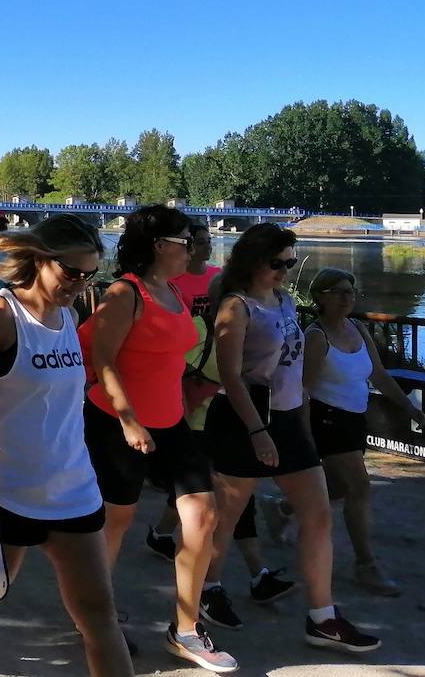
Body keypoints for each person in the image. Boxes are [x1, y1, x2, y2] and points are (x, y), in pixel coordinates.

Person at [0, 215, 132, 677]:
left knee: (99, 615)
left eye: (90, 275)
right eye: (71, 272)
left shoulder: (68, 315)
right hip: (6, 494)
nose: (79, 283)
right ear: (39, 259)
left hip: (73, 492)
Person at [204, 224, 380, 654]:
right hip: (244, 420)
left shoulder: (283, 301)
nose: (285, 270)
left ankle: (322, 617)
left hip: (285, 419)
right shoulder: (236, 306)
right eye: (277, 262)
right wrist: (258, 432)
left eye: (291, 261)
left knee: (318, 513)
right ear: (253, 260)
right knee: (226, 516)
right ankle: (207, 588)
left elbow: (293, 370)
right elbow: (230, 376)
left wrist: (300, 423)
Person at [80, 205, 234, 671]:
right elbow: (103, 360)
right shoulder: (125, 293)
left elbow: (171, 355)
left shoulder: (174, 291)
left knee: (203, 516)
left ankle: (185, 629)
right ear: (158, 245)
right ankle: (96, 619)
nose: (194, 247)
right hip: (117, 422)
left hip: (172, 423)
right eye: (186, 239)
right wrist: (128, 419)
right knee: (115, 523)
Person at [146, 233, 293, 623]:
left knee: (224, 507)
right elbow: (184, 372)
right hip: (201, 422)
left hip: (231, 417)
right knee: (214, 509)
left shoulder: (255, 312)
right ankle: (205, 589)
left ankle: (250, 575)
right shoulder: (200, 330)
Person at [304, 266, 425, 597]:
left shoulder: (357, 328)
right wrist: (301, 435)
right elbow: (304, 390)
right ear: (320, 298)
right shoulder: (316, 337)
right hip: (327, 420)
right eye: (338, 292)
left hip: (355, 419)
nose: (347, 298)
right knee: (360, 486)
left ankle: (281, 510)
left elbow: (380, 375)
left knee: (337, 488)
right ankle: (366, 565)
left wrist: (410, 407)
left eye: (350, 292)